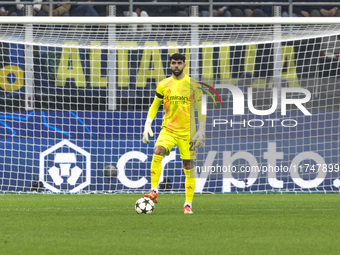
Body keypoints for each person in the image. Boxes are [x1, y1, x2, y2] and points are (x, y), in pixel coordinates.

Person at [142, 53, 206, 215]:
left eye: (179, 63)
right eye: (173, 63)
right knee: (158, 151)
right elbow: (155, 105)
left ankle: (188, 204)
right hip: (168, 130)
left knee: (188, 166)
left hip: (188, 133)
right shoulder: (164, 84)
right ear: (170, 65)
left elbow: (201, 107)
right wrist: (148, 123)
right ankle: (154, 191)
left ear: (184, 65)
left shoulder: (193, 84)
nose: (176, 66)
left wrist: (202, 129)